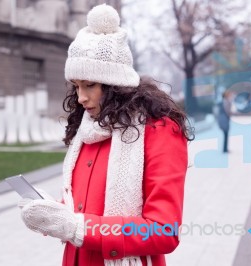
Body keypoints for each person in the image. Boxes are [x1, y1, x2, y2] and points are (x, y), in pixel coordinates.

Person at [18, 4, 193, 265]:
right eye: (76, 86)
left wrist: (77, 227)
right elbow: (81, 210)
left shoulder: (159, 130)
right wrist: (53, 211)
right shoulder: (85, 130)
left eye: (89, 85)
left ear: (116, 86)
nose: (81, 97)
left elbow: (164, 231)